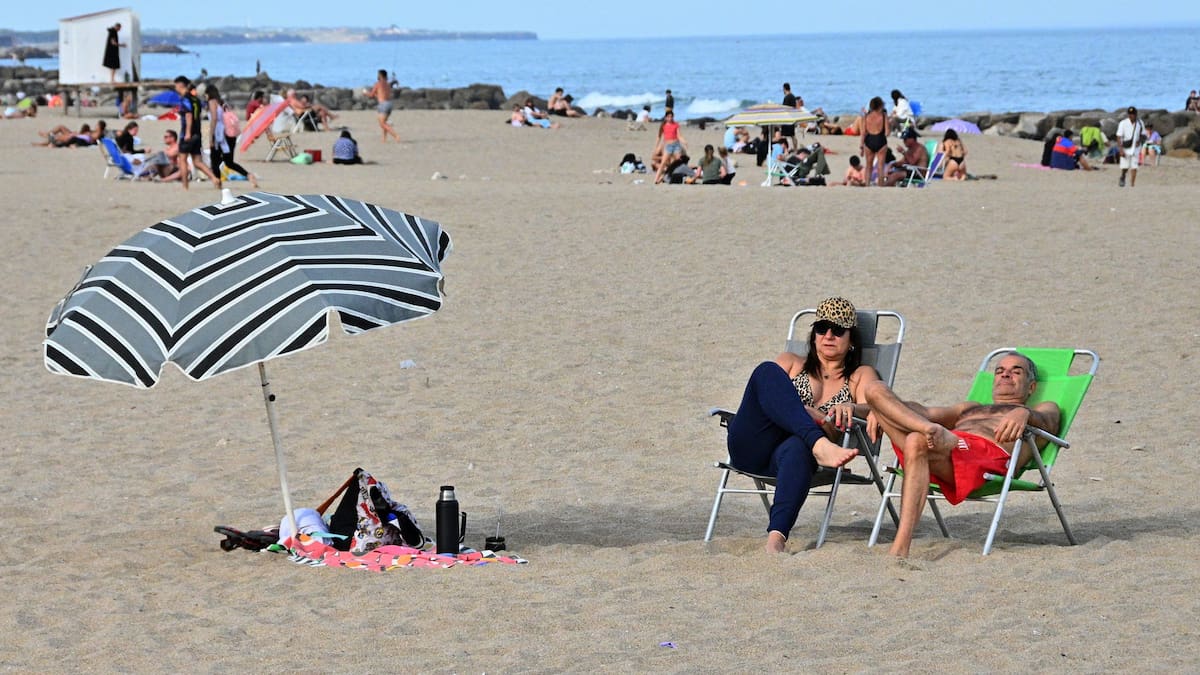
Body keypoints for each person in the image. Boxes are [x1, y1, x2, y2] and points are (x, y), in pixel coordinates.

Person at [862, 352, 1060, 557]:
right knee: (874, 389)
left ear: (1032, 387)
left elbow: (1050, 421)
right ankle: (932, 431)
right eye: (1000, 371)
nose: (1005, 375)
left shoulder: (1040, 409)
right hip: (946, 448)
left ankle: (900, 547)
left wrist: (1024, 413)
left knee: (915, 439)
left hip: (984, 456)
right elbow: (925, 411)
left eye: (1016, 371)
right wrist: (879, 409)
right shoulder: (971, 407)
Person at [726, 298, 877, 553]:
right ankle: (820, 444)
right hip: (753, 444)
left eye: (838, 330)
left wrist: (853, 407)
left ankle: (776, 540)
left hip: (788, 457)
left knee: (799, 448)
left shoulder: (859, 376)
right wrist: (812, 415)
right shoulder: (791, 363)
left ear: (851, 339)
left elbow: (875, 405)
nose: (828, 335)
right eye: (822, 328)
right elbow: (766, 397)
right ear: (814, 334)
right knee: (766, 371)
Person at [173, 76, 222, 191]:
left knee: (182, 159)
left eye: (175, 85)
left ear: (180, 85)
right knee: (197, 161)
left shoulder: (185, 99)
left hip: (188, 133)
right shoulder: (196, 99)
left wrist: (187, 133)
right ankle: (214, 178)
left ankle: (185, 186)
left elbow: (189, 115)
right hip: (197, 133)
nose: (175, 88)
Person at [207, 85, 258, 187]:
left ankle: (218, 183)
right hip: (231, 135)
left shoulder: (212, 102)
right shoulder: (222, 103)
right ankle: (248, 175)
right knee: (228, 162)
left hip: (220, 136)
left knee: (215, 160)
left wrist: (211, 136)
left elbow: (214, 119)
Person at [365, 69, 401, 142]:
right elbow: (380, 95)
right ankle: (384, 139)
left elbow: (371, 95)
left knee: (382, 123)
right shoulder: (387, 84)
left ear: (381, 75)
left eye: (378, 74)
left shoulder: (378, 84)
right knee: (384, 122)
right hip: (389, 104)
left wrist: (365, 93)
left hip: (383, 105)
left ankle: (396, 136)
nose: (377, 76)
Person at [861, 96, 890, 186]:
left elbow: (863, 132)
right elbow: (887, 132)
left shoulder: (866, 117)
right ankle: (880, 186)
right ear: (880, 105)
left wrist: (861, 146)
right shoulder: (883, 116)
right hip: (880, 139)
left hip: (869, 140)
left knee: (868, 166)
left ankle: (867, 185)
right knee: (880, 167)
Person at [1115, 106, 1145, 187]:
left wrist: (1140, 141)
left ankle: (1132, 184)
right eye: (1130, 114)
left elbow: (1143, 134)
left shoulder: (1140, 123)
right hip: (1126, 147)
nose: (1131, 116)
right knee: (1125, 166)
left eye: (1133, 114)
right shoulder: (1123, 123)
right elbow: (1118, 136)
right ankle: (1123, 176)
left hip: (1136, 148)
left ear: (1136, 114)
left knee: (1134, 166)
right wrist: (1120, 149)